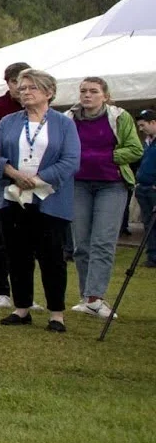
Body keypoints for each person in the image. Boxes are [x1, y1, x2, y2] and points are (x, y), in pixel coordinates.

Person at [0, 70, 81, 331]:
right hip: (13, 197)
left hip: (50, 199)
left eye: (32, 87)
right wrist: (13, 173)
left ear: (49, 92)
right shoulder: (8, 122)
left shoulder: (64, 123)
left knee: (52, 257)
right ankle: (22, 308)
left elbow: (71, 160)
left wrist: (38, 178)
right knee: (17, 254)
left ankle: (56, 313)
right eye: (21, 88)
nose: (25, 92)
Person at [67, 76, 142, 318]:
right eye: (83, 91)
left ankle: (96, 297)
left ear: (105, 96)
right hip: (78, 185)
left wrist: (106, 157)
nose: (87, 95)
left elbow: (135, 149)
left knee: (102, 242)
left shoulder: (119, 117)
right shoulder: (69, 118)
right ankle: (85, 295)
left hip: (112, 185)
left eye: (93, 91)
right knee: (81, 244)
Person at [0, 62, 30, 307]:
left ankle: (25, 292)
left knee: (29, 238)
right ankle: (0, 290)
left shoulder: (41, 110)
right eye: (16, 82)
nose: (21, 88)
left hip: (33, 181)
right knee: (1, 236)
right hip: (2, 178)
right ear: (8, 82)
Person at [134, 110, 156, 268]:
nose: (141, 129)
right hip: (143, 188)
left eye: (143, 125)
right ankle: (152, 255)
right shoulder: (148, 142)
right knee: (148, 223)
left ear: (153, 122)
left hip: (153, 189)